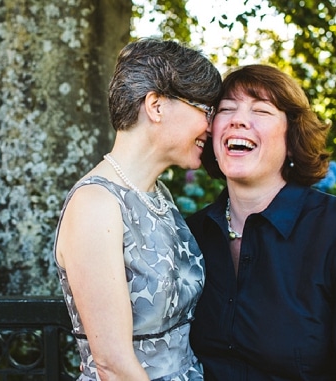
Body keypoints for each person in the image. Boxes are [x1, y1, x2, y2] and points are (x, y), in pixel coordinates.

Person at [187, 64, 336, 379]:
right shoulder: (190, 234)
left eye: (262, 110)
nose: (238, 119)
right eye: (226, 109)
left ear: (293, 137)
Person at [53, 38, 221, 380]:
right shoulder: (95, 206)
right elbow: (113, 365)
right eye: (205, 109)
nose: (212, 124)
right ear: (156, 106)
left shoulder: (159, 195)